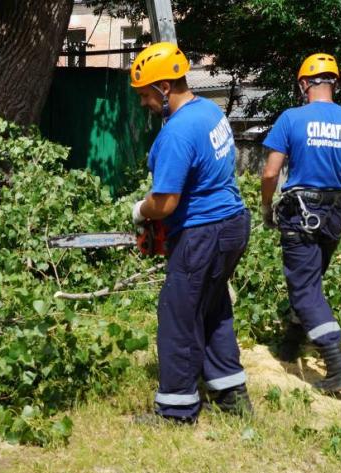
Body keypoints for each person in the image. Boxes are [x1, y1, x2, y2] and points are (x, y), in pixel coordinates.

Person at [128, 42, 252, 423]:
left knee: (178, 314)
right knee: (212, 307)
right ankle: (231, 394)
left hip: (204, 233)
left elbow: (164, 203)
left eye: (147, 95)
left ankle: (176, 409)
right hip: (233, 224)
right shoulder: (209, 112)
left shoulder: (177, 132)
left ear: (165, 88)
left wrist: (140, 211)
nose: (145, 104)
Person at [260, 53, 341, 394]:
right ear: (335, 83)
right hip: (334, 214)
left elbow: (271, 172)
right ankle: (291, 342)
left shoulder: (291, 118)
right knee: (311, 282)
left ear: (303, 84)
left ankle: (336, 365)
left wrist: (266, 207)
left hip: (300, 213)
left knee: (303, 289)